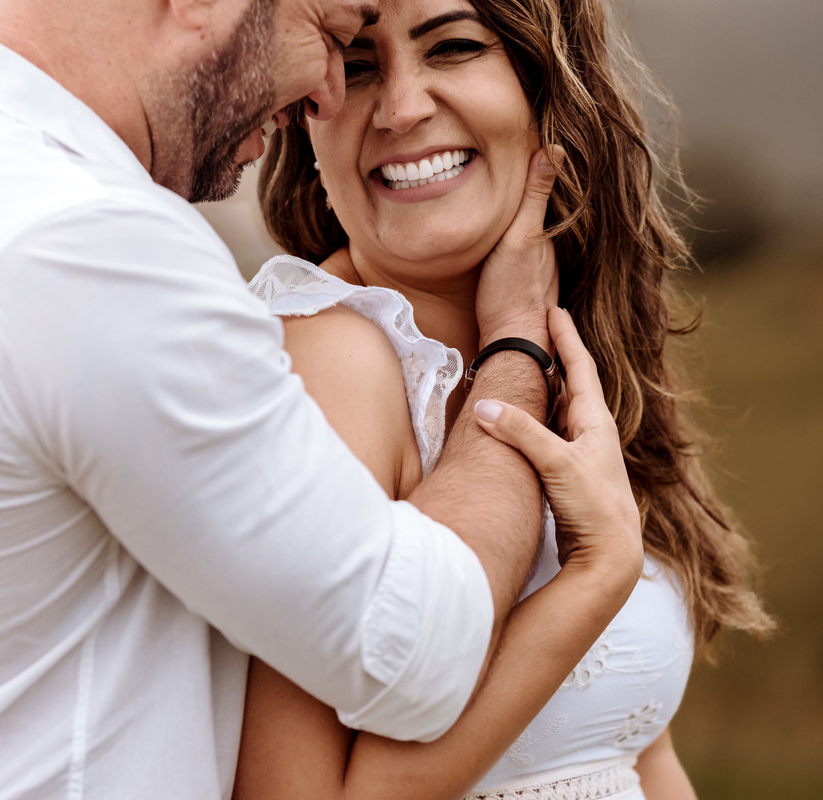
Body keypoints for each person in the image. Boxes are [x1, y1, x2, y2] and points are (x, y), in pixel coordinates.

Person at [0, 0, 642, 798]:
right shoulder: (78, 244)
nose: (327, 95)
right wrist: (519, 350)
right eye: (335, 38)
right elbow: (421, 649)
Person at [236, 0, 776, 797]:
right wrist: (592, 583)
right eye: (355, 64)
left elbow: (637, 752)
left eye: (452, 48)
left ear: (551, 91)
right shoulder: (327, 364)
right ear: (306, 119)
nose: (401, 107)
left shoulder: (575, 348)